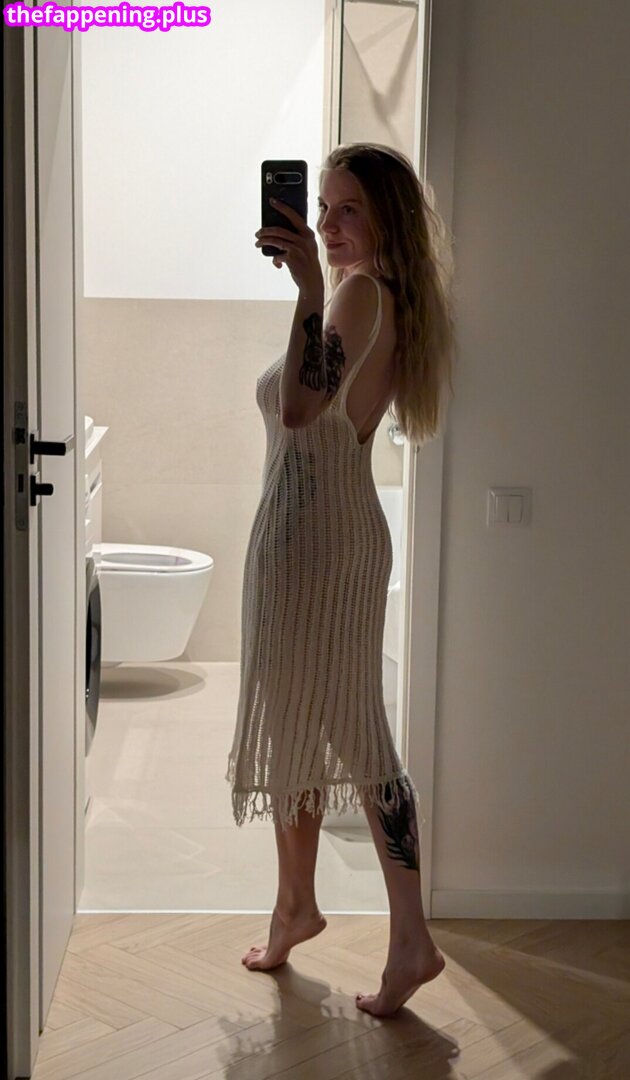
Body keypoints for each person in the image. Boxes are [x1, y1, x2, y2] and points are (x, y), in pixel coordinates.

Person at [225, 143, 456, 1017]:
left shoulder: (356, 294)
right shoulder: (388, 294)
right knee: (327, 727)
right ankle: (310, 910)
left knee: (347, 734)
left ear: (386, 216)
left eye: (346, 208)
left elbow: (298, 408)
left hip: (313, 544)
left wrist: (307, 290)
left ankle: (397, 936)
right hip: (332, 533)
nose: (324, 224)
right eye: (320, 206)